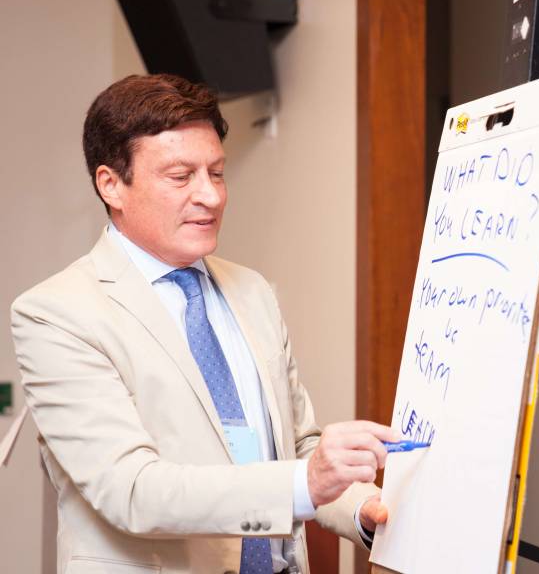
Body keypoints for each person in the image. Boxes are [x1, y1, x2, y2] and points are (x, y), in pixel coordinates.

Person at [11, 74, 399, 574]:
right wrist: (304, 483)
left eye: (216, 173)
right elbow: (133, 490)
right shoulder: (57, 313)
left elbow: (298, 447)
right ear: (111, 185)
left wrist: (363, 509)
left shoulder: (252, 291)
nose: (211, 197)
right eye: (181, 176)